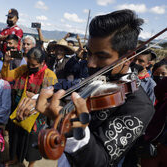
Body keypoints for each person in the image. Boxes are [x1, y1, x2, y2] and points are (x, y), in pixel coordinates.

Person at [26, 9, 155, 167]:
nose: (90, 64)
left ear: (128, 58)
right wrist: (38, 97)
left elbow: (101, 160)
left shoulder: (139, 106)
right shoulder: (99, 76)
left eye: (101, 56)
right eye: (89, 54)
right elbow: (70, 85)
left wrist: (74, 129)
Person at [2, 47, 57, 167]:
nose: (30, 67)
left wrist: (37, 96)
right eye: (28, 63)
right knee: (15, 135)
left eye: (34, 65)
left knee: (33, 140)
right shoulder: (24, 69)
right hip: (19, 108)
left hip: (37, 113)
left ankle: (31, 165)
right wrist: (6, 63)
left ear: (42, 63)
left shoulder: (49, 74)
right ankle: (15, 158)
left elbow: (52, 95)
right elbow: (7, 77)